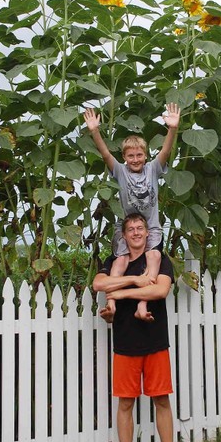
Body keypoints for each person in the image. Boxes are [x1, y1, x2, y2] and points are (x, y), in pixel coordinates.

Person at [92, 213, 192, 442]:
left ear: (148, 234)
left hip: (155, 340)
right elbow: (98, 284)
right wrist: (135, 281)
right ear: (124, 236)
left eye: (140, 228)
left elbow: (159, 291)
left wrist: (121, 293)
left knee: (162, 399)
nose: (136, 233)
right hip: (125, 342)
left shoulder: (159, 260)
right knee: (125, 403)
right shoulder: (115, 261)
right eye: (131, 229)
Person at [84, 103, 180, 322]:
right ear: (124, 157)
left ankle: (142, 304)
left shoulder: (153, 168)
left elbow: (165, 151)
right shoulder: (119, 171)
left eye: (139, 155)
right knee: (120, 261)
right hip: (126, 227)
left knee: (154, 256)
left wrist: (172, 129)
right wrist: (95, 131)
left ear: (145, 155)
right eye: (130, 156)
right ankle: (111, 304)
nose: (135, 159)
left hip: (151, 226)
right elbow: (105, 153)